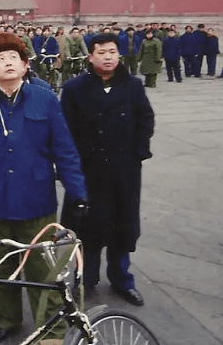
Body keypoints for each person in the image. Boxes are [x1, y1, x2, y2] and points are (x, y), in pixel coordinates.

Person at [0, 33, 87, 344]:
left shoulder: (45, 99)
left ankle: (51, 330)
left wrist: (78, 194)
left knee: (42, 272)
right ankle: (8, 319)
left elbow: (65, 149)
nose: (7, 63)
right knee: (1, 269)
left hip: (36, 202)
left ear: (26, 64)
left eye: (13, 58)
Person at [60, 33, 154, 307]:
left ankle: (122, 279)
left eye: (112, 51)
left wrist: (138, 151)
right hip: (89, 172)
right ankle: (85, 281)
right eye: (102, 52)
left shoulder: (132, 85)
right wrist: (71, 167)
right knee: (88, 230)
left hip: (124, 172)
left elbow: (146, 118)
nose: (108, 57)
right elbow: (65, 130)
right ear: (91, 57)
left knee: (122, 230)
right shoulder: (75, 88)